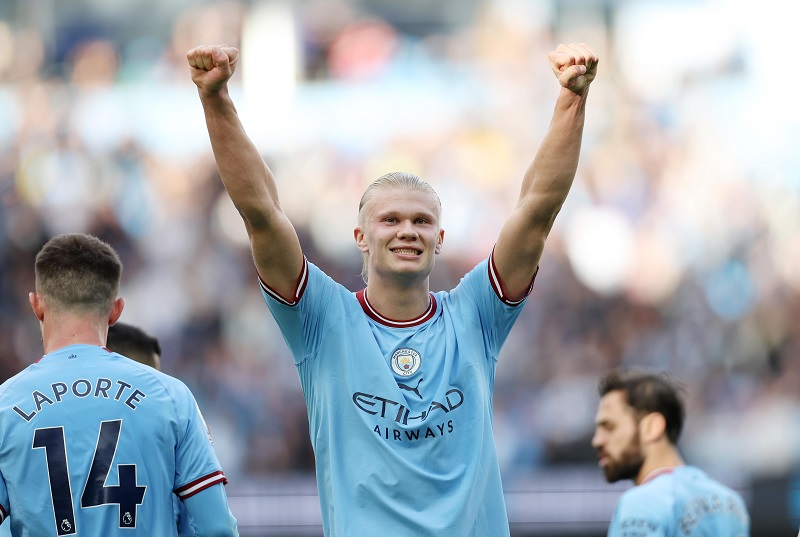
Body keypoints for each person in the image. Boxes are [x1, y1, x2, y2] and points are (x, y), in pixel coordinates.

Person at [187, 41, 598, 536]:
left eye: (422, 221)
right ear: (360, 236)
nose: (408, 231)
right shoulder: (323, 320)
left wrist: (572, 98)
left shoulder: (475, 315)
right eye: (391, 219)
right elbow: (261, 214)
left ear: (440, 239)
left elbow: (536, 211)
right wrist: (216, 98)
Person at [0, 233, 238, 537]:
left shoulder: (6, 405)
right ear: (116, 310)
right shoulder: (171, 396)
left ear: (36, 305)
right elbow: (217, 527)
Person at [592, 369, 750, 536]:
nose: (597, 441)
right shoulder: (730, 502)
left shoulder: (641, 503)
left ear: (652, 427)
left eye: (609, 427)